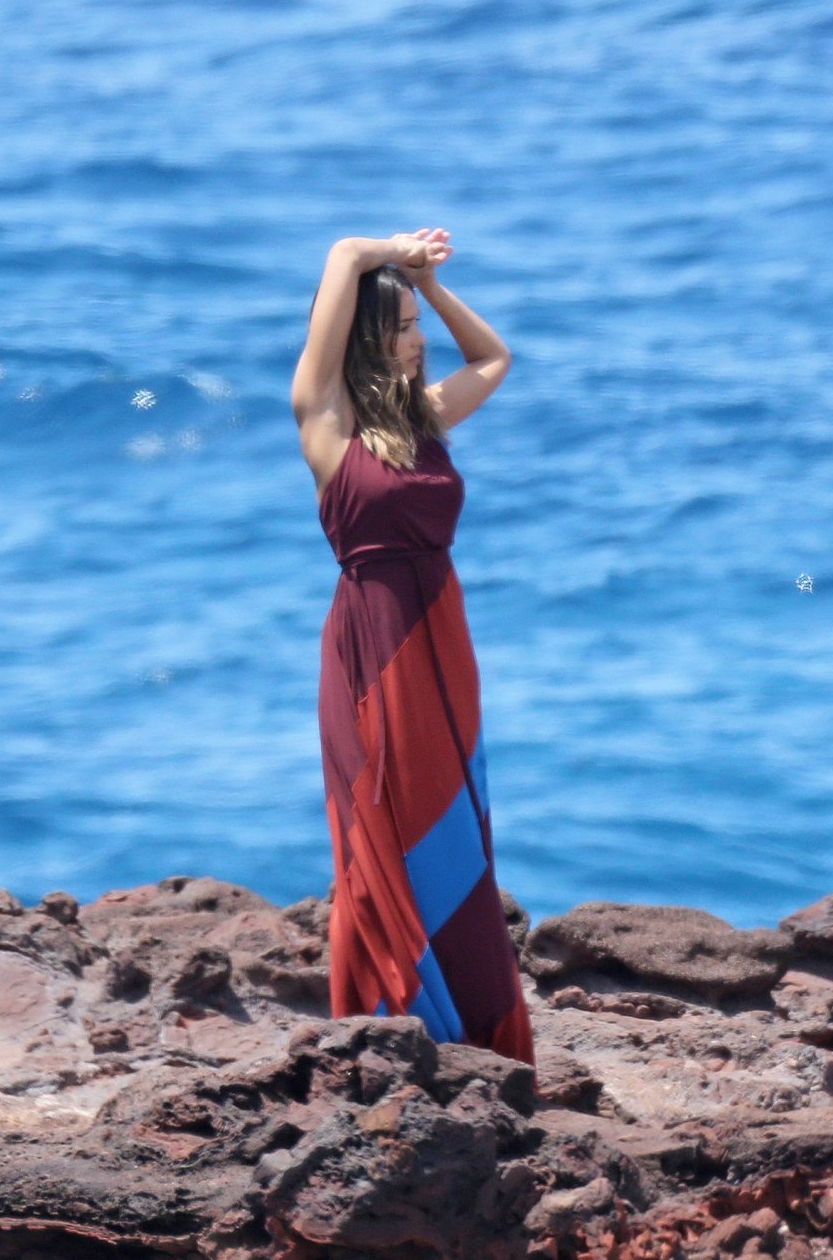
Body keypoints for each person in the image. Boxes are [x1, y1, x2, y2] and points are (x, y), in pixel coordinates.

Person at [292, 228, 535, 1068]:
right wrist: (391, 250)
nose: (418, 341)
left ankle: (476, 1032)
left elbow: (494, 358)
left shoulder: (422, 419)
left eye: (417, 328)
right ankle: (394, 1024)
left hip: (442, 642)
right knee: (383, 825)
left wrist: (427, 286)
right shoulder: (325, 422)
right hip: (373, 649)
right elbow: (341, 255)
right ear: (366, 338)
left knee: (454, 830)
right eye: (401, 328)